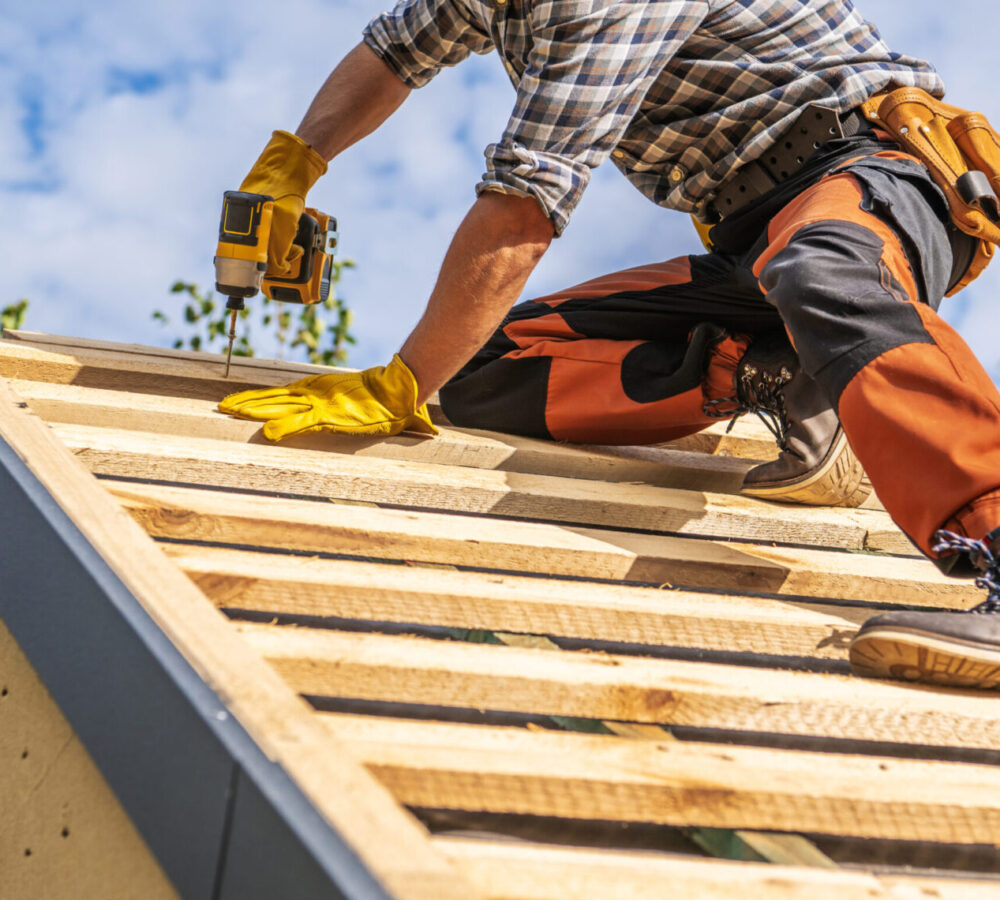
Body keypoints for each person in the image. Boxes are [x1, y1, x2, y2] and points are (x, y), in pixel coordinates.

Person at [219, 0, 1000, 690]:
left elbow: (524, 207)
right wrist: (296, 165)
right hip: (752, 241)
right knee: (484, 367)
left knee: (823, 270)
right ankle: (785, 371)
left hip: (871, 175)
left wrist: (397, 385)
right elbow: (394, 52)